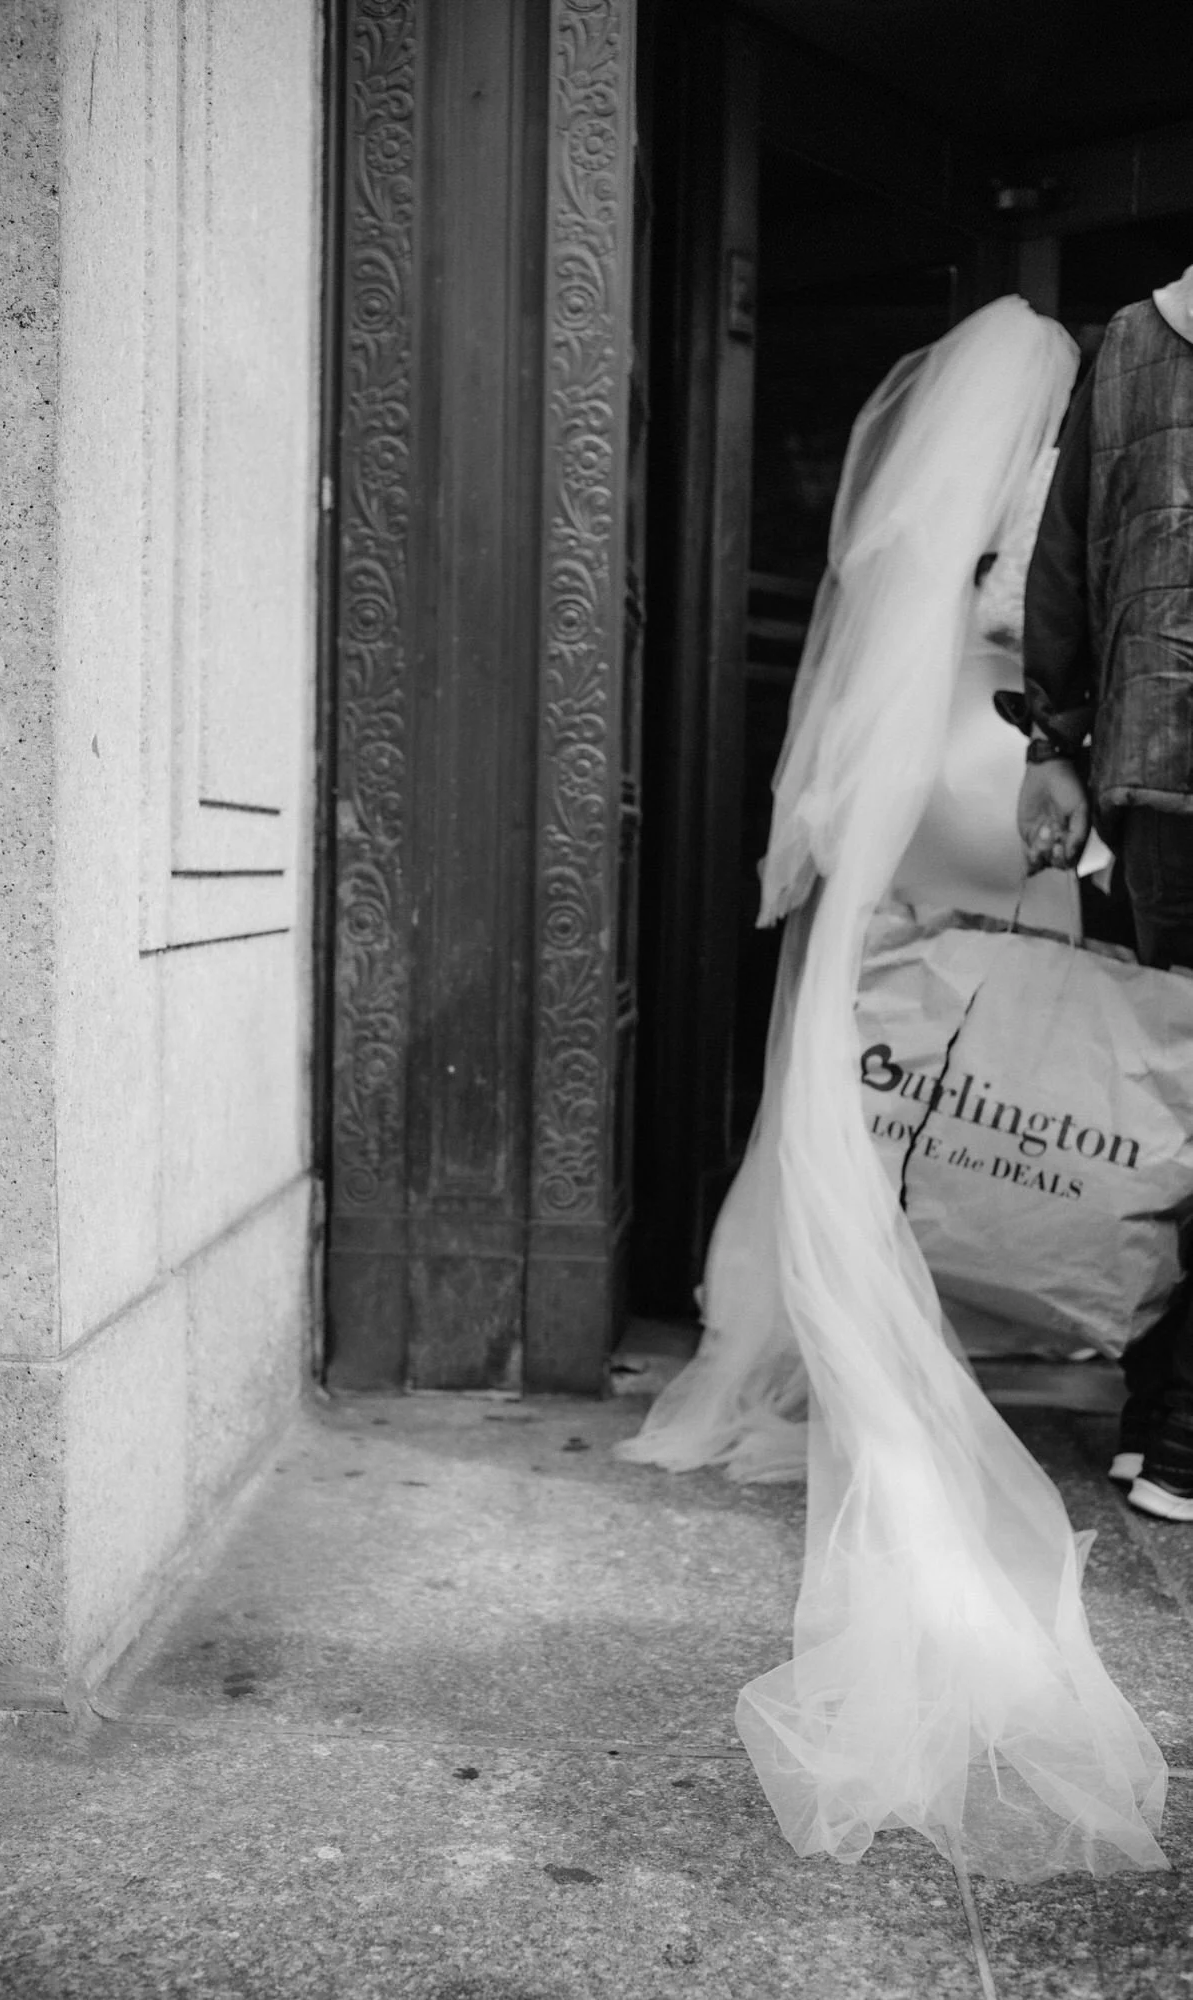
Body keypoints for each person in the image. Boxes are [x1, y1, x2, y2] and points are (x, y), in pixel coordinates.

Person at [618, 298, 1168, 1881]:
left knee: (887, 1081)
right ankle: (967, 1305)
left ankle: (846, 1311)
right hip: (998, 797)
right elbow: (1036, 648)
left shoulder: (948, 503)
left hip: (915, 782)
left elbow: (902, 625)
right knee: (997, 1073)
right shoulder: (1067, 483)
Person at [1009, 265, 1193, 1523]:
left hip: (1146, 771)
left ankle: (1155, 1410)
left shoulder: (1128, 337)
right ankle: (1178, 1432)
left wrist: (1055, 746)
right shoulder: (1125, 338)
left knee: (1174, 1088)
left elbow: (1062, 562)